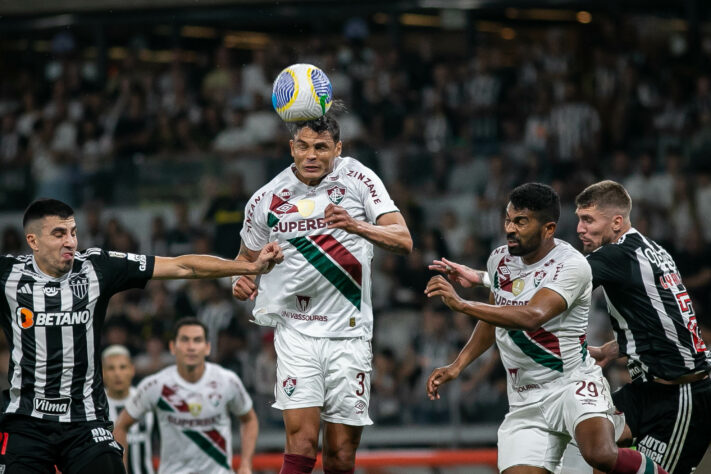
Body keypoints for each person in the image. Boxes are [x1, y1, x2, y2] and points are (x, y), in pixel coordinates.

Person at [0, 198, 282, 474]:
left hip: (84, 422)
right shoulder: (8, 275)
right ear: (33, 241)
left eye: (73, 232)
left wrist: (249, 266)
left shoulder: (97, 266)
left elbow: (182, 266)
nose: (70, 242)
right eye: (59, 234)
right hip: (25, 422)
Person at [425, 183, 668, 474]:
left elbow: (532, 315)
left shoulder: (572, 265)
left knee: (600, 454)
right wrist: (458, 365)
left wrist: (462, 304)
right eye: (508, 220)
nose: (511, 228)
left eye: (521, 221)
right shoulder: (499, 260)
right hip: (524, 401)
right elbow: (494, 316)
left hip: (572, 385)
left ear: (548, 229)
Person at [232, 115, 412, 474]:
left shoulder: (358, 178)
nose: (311, 155)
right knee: (301, 443)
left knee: (341, 455)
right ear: (291, 148)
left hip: (350, 333)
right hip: (296, 332)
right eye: (303, 146)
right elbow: (244, 260)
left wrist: (355, 225)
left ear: (338, 149)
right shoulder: (266, 199)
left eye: (321, 147)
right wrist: (242, 280)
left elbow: (403, 240)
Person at [571, 180, 711, 474]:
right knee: (597, 448)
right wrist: (617, 347)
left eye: (588, 220)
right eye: (579, 219)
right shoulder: (652, 250)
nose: (579, 228)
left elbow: (555, 290)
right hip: (647, 390)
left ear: (616, 221)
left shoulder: (616, 256)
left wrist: (488, 281)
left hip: (682, 394)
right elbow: (663, 321)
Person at [114, 318, 258, 474]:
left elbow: (249, 419)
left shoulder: (227, 381)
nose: (191, 347)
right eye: (184, 340)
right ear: (172, 347)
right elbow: (121, 425)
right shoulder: (156, 385)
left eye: (197, 340)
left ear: (207, 347)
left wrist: (245, 464)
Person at [103, 345, 155, 474]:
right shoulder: (94, 406)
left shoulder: (146, 400)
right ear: (102, 373)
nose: (117, 374)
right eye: (111, 368)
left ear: (132, 370)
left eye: (122, 367)